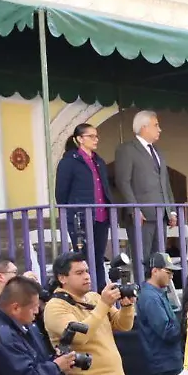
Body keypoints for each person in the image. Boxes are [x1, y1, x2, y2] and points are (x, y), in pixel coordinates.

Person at [114, 110, 177, 267]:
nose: (159, 129)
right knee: (142, 258)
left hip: (161, 213)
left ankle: (157, 290)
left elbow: (165, 183)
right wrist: (134, 208)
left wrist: (172, 210)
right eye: (156, 125)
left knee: (159, 259)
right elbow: (123, 181)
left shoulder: (158, 152)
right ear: (144, 127)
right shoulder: (127, 149)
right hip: (141, 215)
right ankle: (143, 290)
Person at [54, 124, 112, 290]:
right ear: (79, 139)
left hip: (101, 216)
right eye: (91, 136)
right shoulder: (69, 161)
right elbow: (61, 193)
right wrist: (70, 213)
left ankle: (101, 293)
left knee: (99, 256)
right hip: (80, 216)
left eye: (96, 136)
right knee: (84, 257)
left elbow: (104, 187)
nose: (96, 140)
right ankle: (87, 292)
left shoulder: (98, 161)